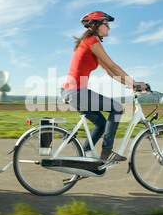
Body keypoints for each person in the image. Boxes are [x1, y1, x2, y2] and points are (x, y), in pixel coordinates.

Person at [60, 11, 147, 162]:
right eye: (106, 24)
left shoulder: (88, 43)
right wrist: (135, 83)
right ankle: (107, 152)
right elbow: (113, 66)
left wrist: (129, 84)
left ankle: (85, 156)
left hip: (71, 91)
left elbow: (110, 72)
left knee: (101, 124)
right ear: (97, 25)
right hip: (76, 92)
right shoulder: (92, 42)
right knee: (117, 108)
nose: (109, 28)